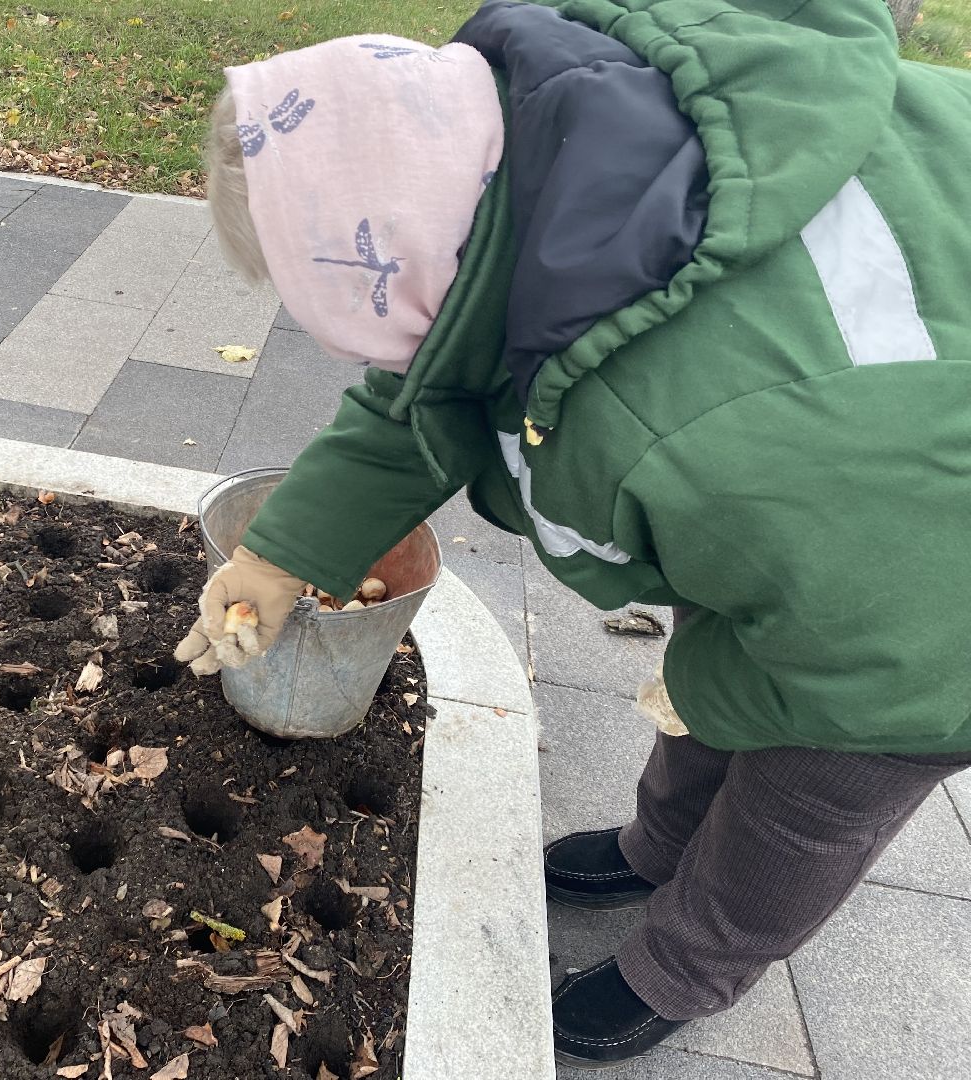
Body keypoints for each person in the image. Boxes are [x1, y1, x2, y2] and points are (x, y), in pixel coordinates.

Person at [174, 0, 971, 1069]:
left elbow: (890, 656)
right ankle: (660, 846)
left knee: (804, 799)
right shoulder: (542, 170)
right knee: (711, 689)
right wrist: (278, 557)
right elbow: (435, 388)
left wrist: (723, 683)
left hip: (923, 611)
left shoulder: (683, 424)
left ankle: (685, 966)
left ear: (394, 258)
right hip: (832, 496)